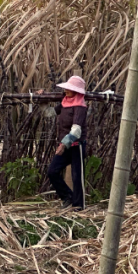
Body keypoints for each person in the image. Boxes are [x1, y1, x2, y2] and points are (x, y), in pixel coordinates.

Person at [47, 75, 89, 210]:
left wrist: (63, 144)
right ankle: (68, 197)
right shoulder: (65, 103)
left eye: (69, 89)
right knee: (52, 171)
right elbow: (49, 113)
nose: (66, 91)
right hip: (65, 146)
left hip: (76, 146)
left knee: (77, 177)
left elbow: (76, 131)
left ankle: (78, 206)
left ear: (76, 91)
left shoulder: (80, 107)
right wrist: (40, 101)